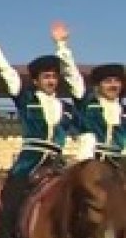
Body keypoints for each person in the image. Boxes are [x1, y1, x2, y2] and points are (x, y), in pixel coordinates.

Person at [0, 18, 78, 238]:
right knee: (12, 196)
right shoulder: (26, 99)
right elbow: (7, 71)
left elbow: (79, 92)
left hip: (56, 161)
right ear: (36, 80)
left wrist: (62, 46)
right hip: (29, 160)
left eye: (54, 77)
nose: (51, 81)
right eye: (46, 77)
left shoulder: (67, 109)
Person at [53, 24, 125, 163]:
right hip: (89, 163)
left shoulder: (124, 111)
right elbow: (72, 74)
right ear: (98, 86)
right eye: (108, 81)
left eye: (117, 81)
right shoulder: (86, 102)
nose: (113, 85)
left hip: (119, 165)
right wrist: (62, 45)